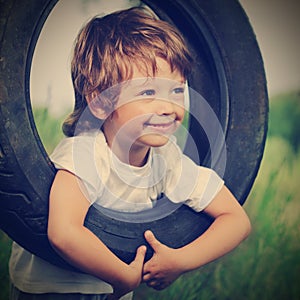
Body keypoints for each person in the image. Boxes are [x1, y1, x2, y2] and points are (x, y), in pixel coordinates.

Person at [9, 6, 251, 300]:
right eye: (148, 92)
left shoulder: (167, 160)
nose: (168, 107)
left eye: (177, 90)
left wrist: (181, 261)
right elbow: (63, 232)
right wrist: (121, 276)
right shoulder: (85, 153)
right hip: (54, 289)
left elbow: (236, 219)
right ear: (100, 103)